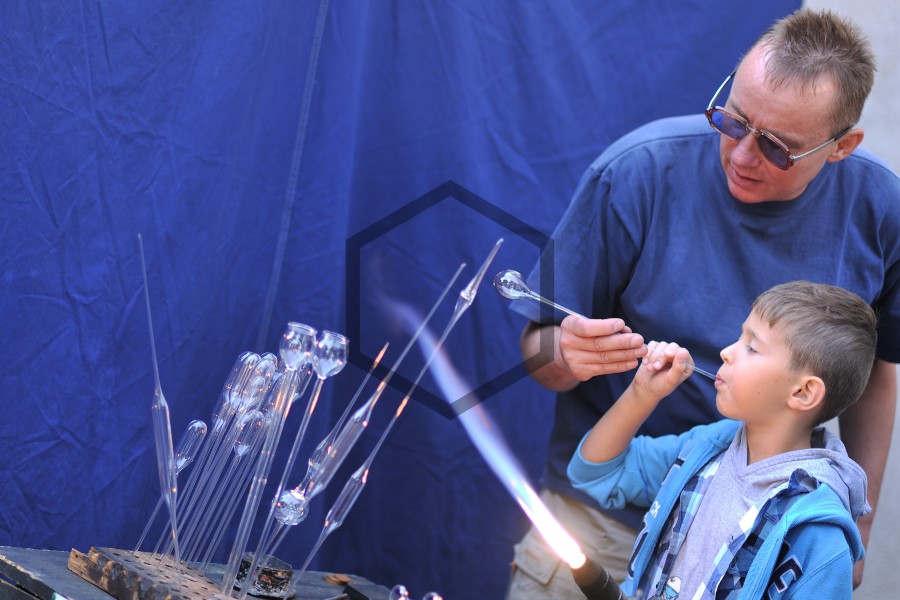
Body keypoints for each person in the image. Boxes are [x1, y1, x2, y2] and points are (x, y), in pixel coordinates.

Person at [506, 8, 900, 598]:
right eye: (733, 121)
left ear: (841, 147)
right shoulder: (637, 173)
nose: (741, 156)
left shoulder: (881, 209)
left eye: (778, 149)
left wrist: (855, 525)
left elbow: (876, 371)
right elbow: (540, 355)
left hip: (758, 554)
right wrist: (564, 355)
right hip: (603, 533)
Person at [568, 280, 874, 599]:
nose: (726, 353)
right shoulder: (707, 448)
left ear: (803, 392)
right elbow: (594, 472)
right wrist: (642, 393)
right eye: (740, 337)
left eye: (752, 347)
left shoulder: (821, 540)